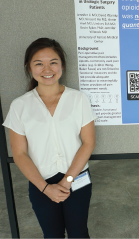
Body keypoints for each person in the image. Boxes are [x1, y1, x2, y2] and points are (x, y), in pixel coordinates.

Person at [3, 38, 97, 238]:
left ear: (62, 65)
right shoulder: (20, 106)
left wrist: (67, 181)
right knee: (52, 235)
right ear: (29, 67)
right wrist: (45, 188)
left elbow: (88, 143)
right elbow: (19, 154)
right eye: (39, 63)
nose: (47, 69)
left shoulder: (79, 99)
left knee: (79, 233)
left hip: (77, 178)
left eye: (53, 62)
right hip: (40, 181)